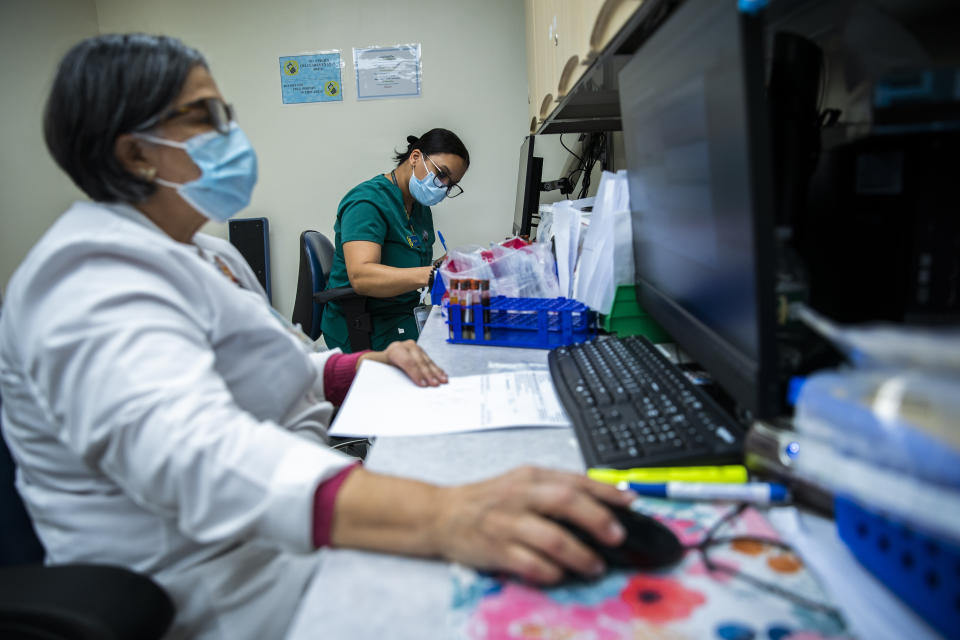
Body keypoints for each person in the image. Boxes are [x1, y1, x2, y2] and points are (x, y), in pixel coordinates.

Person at [0, 34, 635, 639]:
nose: (230, 132)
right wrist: (446, 515)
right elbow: (201, 458)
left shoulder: (199, 253)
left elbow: (281, 364)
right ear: (135, 152)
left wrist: (359, 366)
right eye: (204, 115)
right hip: (221, 585)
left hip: (280, 526)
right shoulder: (88, 280)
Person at [320, 128, 469, 352]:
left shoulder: (418, 207)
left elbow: (408, 264)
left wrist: (446, 265)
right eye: (441, 174)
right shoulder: (367, 202)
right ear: (415, 157)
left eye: (450, 184)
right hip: (365, 324)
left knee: (468, 336)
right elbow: (362, 276)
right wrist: (432, 275)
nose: (443, 187)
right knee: (455, 354)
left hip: (403, 312)